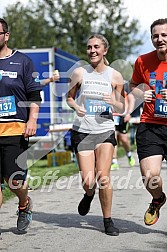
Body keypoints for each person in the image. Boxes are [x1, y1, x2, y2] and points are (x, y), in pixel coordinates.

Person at [67, 34, 125, 236]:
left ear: (105, 50)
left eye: (96, 47)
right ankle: (88, 194)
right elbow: (69, 98)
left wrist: (114, 102)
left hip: (105, 130)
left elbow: (123, 105)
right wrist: (76, 107)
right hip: (83, 131)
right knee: (88, 180)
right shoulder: (79, 73)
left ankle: (108, 220)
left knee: (104, 177)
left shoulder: (115, 76)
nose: (92, 51)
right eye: (89, 47)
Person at [0, 18, 41, 231]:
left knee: (13, 181)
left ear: (6, 35)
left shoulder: (22, 61)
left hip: (14, 129)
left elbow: (34, 94)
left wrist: (32, 119)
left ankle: (24, 204)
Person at [130, 18, 167, 226]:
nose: (160, 39)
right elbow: (133, 84)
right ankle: (158, 198)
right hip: (151, 125)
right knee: (150, 177)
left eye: (164, 35)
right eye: (155, 35)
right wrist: (140, 93)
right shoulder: (143, 61)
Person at [111, 90, 136, 170]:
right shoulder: (107, 88)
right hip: (111, 116)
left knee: (124, 139)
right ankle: (114, 161)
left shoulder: (124, 88)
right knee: (113, 138)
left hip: (122, 117)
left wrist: (129, 113)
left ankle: (129, 155)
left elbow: (132, 99)